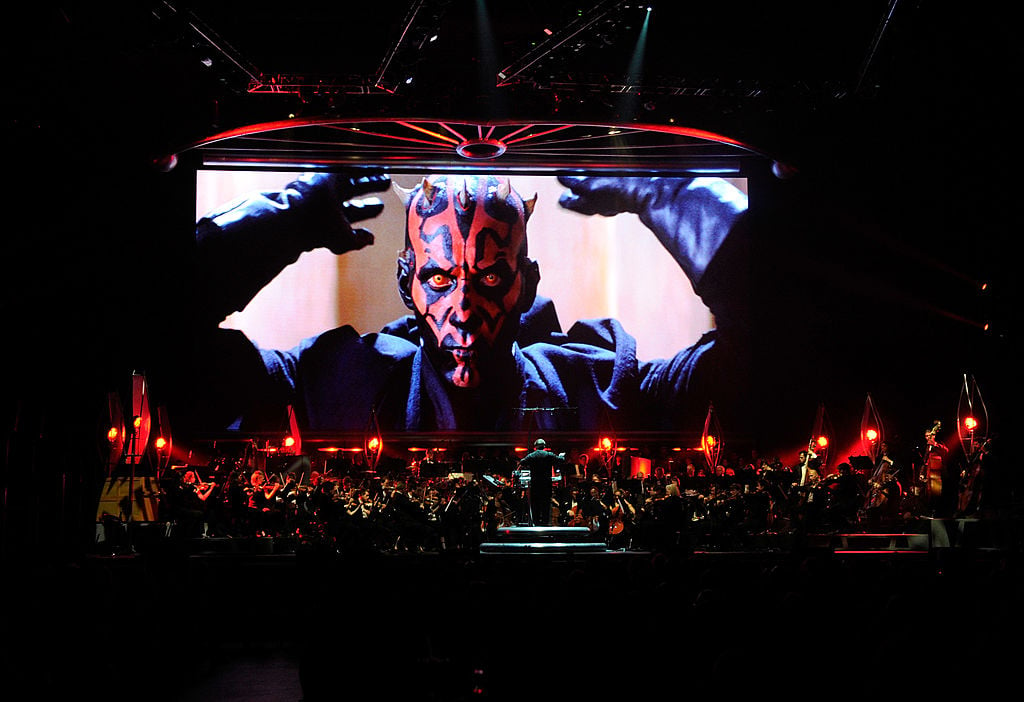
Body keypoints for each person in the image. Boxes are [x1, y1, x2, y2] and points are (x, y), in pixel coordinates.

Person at [173, 172, 749, 435]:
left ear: (524, 283)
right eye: (443, 278)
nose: (466, 307)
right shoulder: (335, 382)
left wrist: (670, 192)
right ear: (409, 284)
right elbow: (165, 339)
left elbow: (779, 350)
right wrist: (283, 218)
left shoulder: (602, 387)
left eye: (491, 277)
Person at [516, 438, 565, 527]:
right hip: (546, 483)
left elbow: (522, 462)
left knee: (535, 503)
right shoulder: (549, 455)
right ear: (544, 446)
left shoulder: (532, 455)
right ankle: (545, 523)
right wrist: (562, 456)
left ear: (535, 447)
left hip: (535, 483)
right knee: (546, 503)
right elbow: (560, 460)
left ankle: (536, 522)